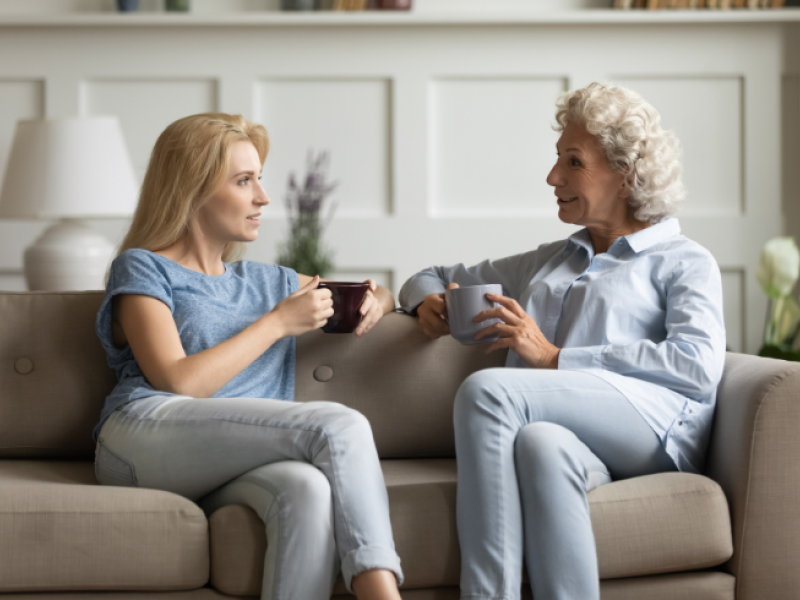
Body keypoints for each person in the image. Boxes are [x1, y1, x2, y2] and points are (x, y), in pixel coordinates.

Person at [398, 83, 726, 600]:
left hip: (655, 430)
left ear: (626, 174)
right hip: (562, 429)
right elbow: (430, 273)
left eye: (572, 162)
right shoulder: (552, 259)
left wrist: (555, 358)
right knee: (540, 446)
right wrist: (427, 302)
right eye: (557, 160)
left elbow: (697, 366)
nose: (553, 177)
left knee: (490, 391)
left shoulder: (685, 261)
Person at [93, 113, 403, 600]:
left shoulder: (266, 280)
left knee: (306, 490)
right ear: (192, 188)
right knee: (339, 425)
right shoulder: (143, 267)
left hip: (231, 458)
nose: (263, 197)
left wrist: (377, 302)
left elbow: (377, 289)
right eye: (244, 181)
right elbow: (179, 381)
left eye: (260, 179)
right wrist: (278, 323)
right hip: (142, 436)